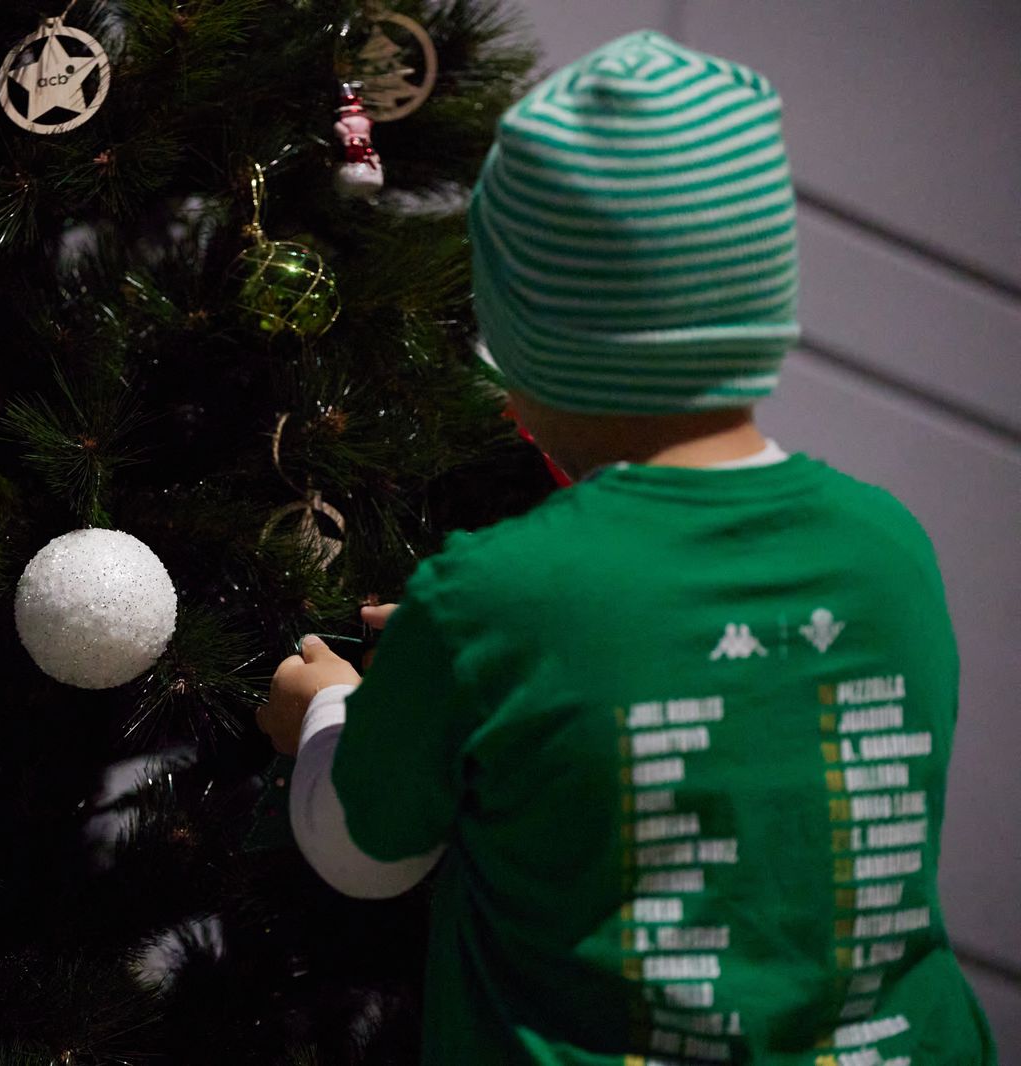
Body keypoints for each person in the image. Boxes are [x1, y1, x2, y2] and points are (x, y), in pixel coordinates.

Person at [257, 30, 996, 1066]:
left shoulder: (488, 595)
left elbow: (363, 852)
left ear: (528, 348)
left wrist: (330, 708)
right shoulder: (891, 549)